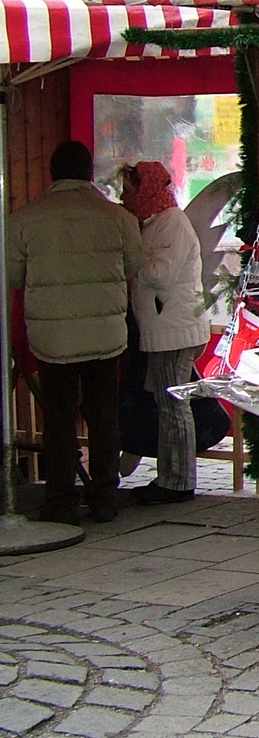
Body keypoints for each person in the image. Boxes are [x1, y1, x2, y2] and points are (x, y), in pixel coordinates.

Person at [6, 141, 143, 524]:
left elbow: (13, 276)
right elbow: (134, 265)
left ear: (52, 174)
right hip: (106, 334)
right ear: (88, 173)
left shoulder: (24, 219)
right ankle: (104, 499)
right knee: (103, 417)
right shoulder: (118, 218)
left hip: (53, 338)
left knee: (59, 419)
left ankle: (60, 501)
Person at [120, 162, 211, 505]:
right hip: (167, 328)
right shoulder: (154, 222)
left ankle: (179, 482)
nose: (123, 197)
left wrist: (132, 255)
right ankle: (169, 477)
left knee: (174, 405)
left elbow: (160, 275)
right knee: (167, 403)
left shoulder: (171, 222)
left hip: (175, 330)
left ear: (145, 191)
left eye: (128, 190)